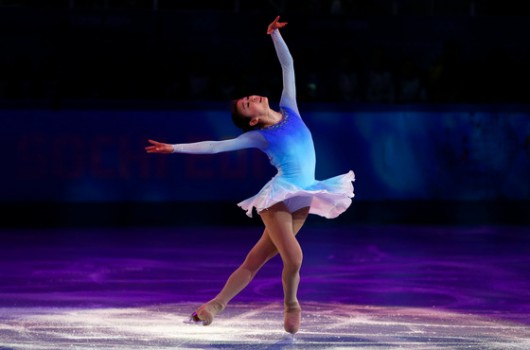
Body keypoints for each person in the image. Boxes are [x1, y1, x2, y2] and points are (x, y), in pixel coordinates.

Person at [145, 16, 355, 334]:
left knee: (253, 262)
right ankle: (291, 305)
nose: (252, 97)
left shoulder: (290, 108)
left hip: (304, 194)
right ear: (253, 121)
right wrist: (174, 148)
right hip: (279, 198)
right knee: (294, 258)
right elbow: (216, 147)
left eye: (249, 97)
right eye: (247, 104)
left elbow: (288, 66)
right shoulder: (259, 136)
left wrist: (274, 36)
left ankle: (214, 306)